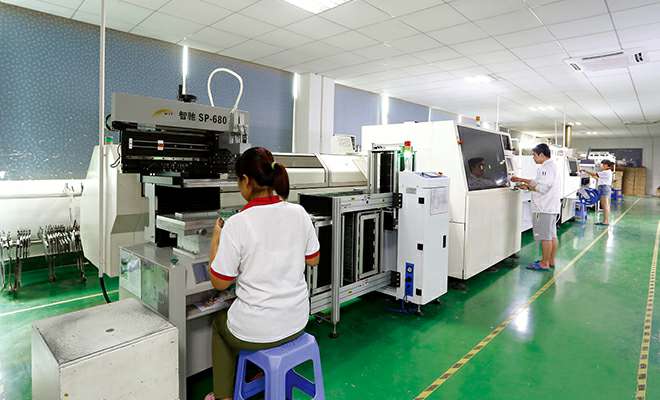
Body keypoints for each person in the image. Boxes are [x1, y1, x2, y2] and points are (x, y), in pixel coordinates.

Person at [204, 147, 320, 400]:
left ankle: (223, 396)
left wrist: (216, 239)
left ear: (246, 180)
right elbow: (313, 260)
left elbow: (219, 282)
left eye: (238, 180)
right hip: (297, 320)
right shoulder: (299, 213)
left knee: (220, 326)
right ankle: (258, 372)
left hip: (259, 330)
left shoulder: (237, 223)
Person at [510, 143, 561, 271]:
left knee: (545, 237)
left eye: (534, 155)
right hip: (551, 207)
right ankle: (550, 260)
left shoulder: (546, 168)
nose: (533, 158)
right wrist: (524, 182)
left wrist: (526, 184)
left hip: (543, 207)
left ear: (541, 155)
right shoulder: (551, 166)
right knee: (552, 235)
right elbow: (539, 183)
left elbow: (543, 188)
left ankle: (544, 263)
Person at [582, 160, 614, 225]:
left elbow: (594, 174)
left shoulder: (606, 172)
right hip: (604, 188)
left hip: (604, 188)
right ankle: (605, 221)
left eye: (603, 164)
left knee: (605, 205)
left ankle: (606, 221)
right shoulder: (607, 172)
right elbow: (599, 179)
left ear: (606, 165)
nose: (601, 166)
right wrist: (592, 176)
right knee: (605, 205)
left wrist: (585, 171)